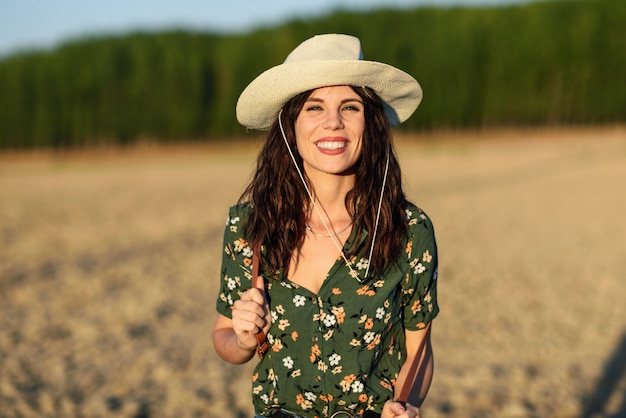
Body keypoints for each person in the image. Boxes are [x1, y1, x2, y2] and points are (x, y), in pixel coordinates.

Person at [213, 34, 439, 418]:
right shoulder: (251, 226)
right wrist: (244, 339)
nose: (332, 123)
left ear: (370, 123)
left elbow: (419, 349)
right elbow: (224, 340)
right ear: (291, 125)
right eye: (314, 107)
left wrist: (406, 404)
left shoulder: (408, 230)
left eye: (349, 107)